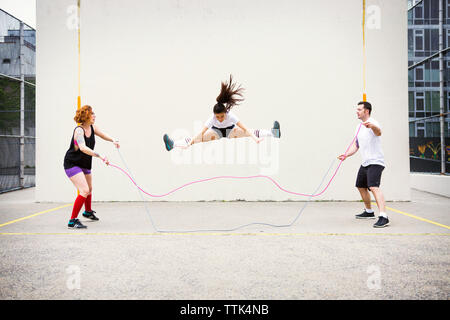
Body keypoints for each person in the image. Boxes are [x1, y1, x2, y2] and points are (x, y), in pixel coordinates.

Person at [163, 75, 280, 151]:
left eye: (221, 116)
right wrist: (190, 144)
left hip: (231, 131)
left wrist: (255, 139)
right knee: (196, 138)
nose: (219, 119)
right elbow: (201, 132)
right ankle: (172, 145)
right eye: (217, 117)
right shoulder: (212, 118)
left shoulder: (231, 116)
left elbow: (245, 129)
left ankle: (274, 133)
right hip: (216, 132)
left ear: (226, 113)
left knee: (251, 132)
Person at [63, 105, 120, 229]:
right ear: (85, 116)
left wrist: (113, 140)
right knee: (84, 190)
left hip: (84, 163)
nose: (94, 116)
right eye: (92, 114)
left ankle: (87, 212)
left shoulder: (93, 127)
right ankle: (72, 221)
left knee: (89, 188)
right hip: (72, 163)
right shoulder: (79, 130)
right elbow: (83, 148)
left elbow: (103, 134)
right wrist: (100, 156)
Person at [338, 101, 389, 228]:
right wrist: (346, 155)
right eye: (357, 109)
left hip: (376, 162)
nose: (357, 111)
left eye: (359, 109)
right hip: (365, 162)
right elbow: (356, 145)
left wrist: (372, 126)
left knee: (373, 187)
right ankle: (369, 212)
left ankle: (384, 216)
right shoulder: (358, 127)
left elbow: (379, 133)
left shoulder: (373, 122)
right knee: (360, 186)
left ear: (366, 111)